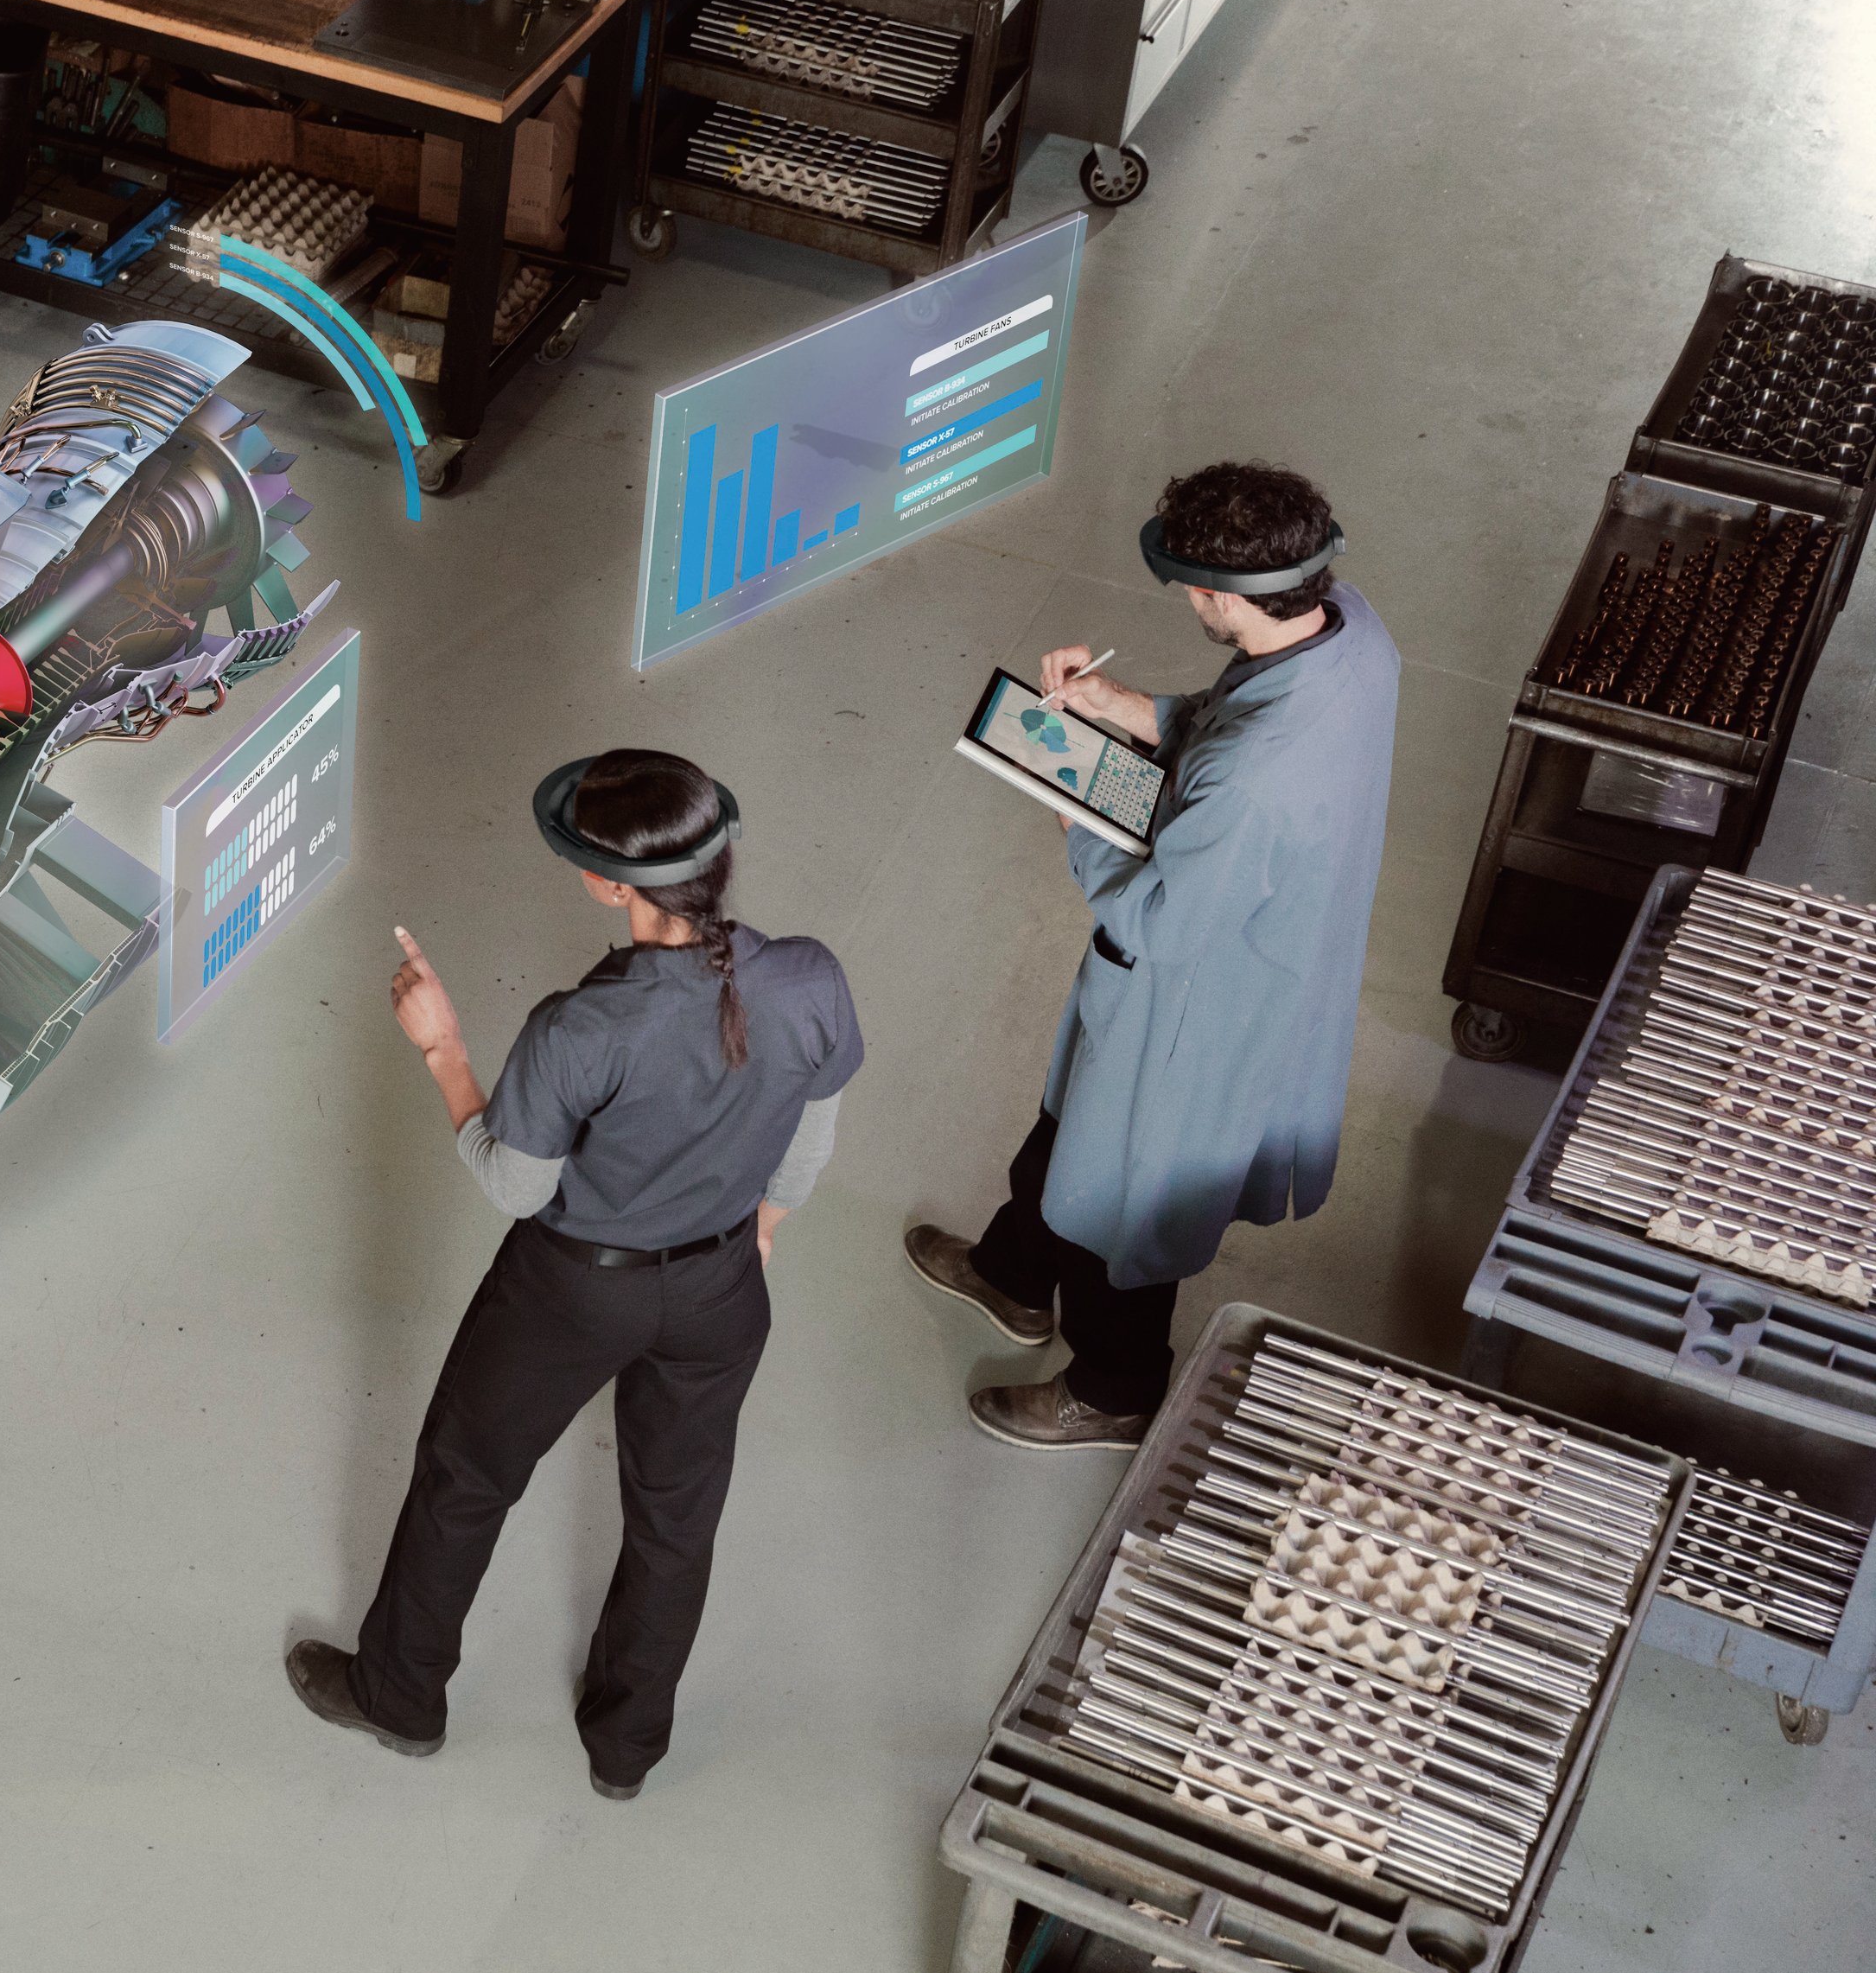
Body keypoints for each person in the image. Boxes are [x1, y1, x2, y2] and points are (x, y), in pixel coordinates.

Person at [287, 749, 863, 1799]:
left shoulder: (579, 1028)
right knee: (677, 1519)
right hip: (721, 1288)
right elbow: (810, 1139)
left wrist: (444, 1049)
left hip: (571, 1288)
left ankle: (401, 1697)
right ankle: (627, 1745)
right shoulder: (809, 975)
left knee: (467, 1478)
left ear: (610, 885)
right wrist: (760, 1229)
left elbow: (514, 1185)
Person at [906, 461, 1400, 1450]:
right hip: (1263, 936)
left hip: (1195, 1001)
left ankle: (1117, 1384)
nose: (1183, 599)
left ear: (1220, 596)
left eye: (1188, 587)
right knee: (1069, 1130)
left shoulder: (1256, 779)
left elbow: (1160, 922)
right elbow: (1225, 724)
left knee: (1127, 1193)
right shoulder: (1347, 626)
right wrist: (1123, 710)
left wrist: (1070, 805)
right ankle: (1012, 1276)